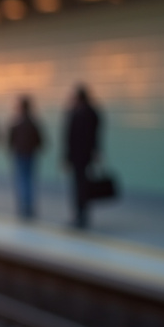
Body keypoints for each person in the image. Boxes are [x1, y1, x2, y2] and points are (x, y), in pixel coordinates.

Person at [63, 84, 102, 228]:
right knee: (83, 184)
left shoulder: (74, 112)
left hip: (77, 155)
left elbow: (69, 136)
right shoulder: (92, 112)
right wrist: (96, 151)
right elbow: (96, 134)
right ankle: (83, 214)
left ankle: (80, 214)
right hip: (86, 155)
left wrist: (66, 156)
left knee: (78, 185)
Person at [7, 95, 44, 220]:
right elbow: (40, 140)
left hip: (20, 154)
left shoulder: (17, 123)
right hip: (30, 154)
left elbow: (10, 139)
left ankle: (23, 205)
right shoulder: (33, 122)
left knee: (21, 179)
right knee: (29, 180)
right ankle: (28, 206)